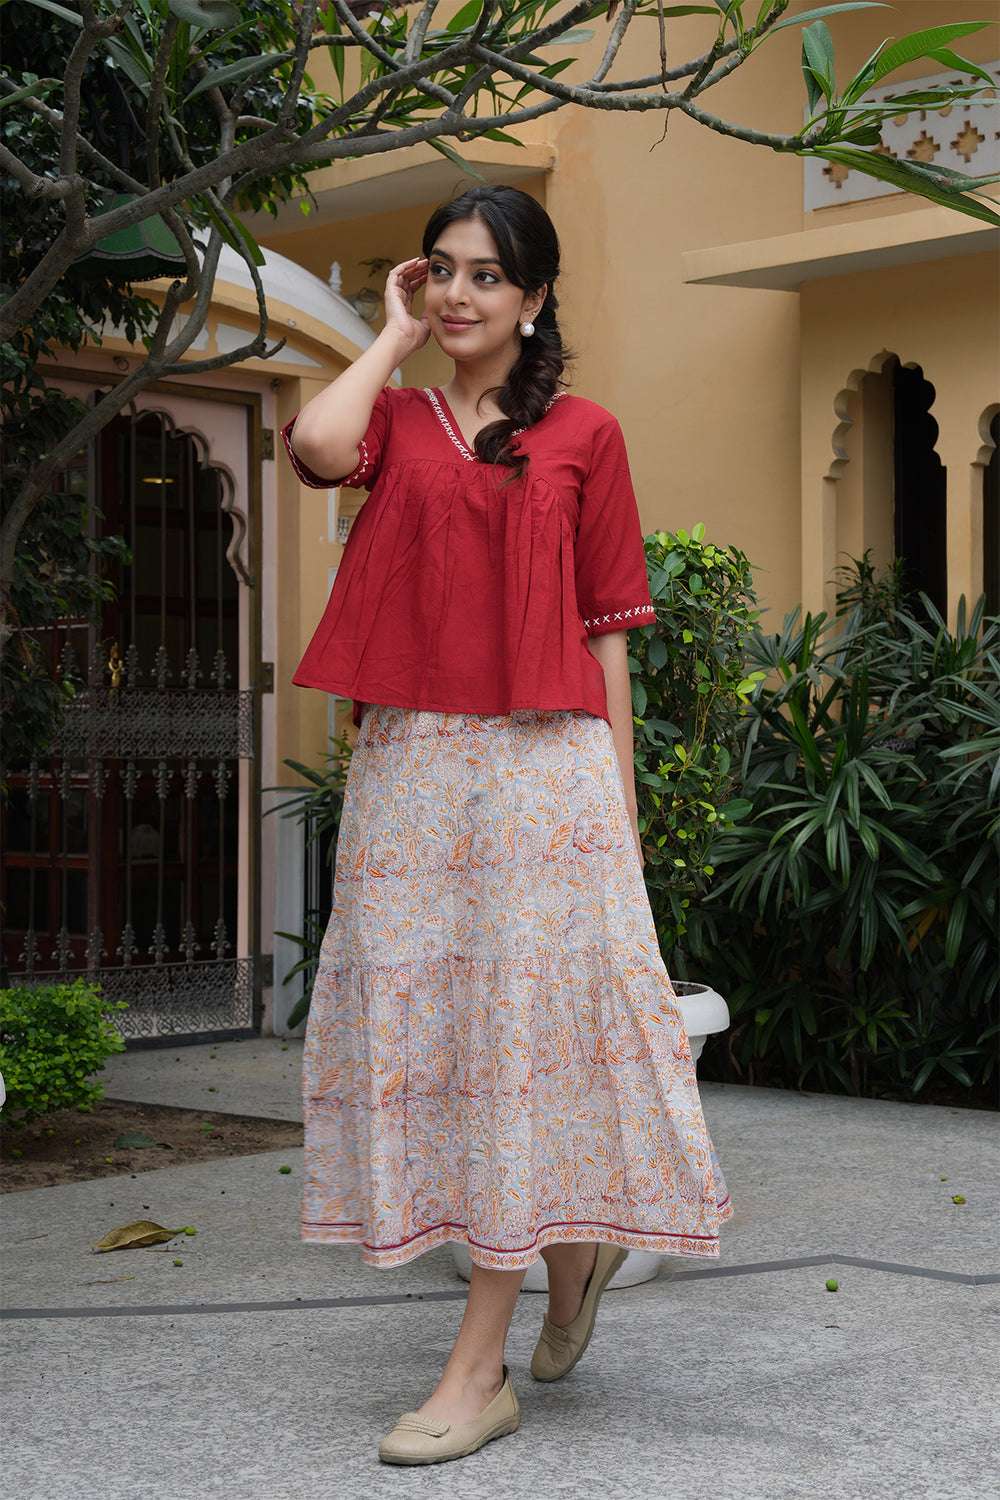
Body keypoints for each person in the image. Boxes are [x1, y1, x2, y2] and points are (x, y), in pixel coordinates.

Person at [282, 184, 731, 1467]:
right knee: (442, 1035)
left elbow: (608, 633)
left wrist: (618, 811)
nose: (460, 294)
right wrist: (386, 335)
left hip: (546, 770)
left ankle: (478, 1369)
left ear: (534, 298)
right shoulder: (398, 421)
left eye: (487, 275)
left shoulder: (587, 433)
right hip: (412, 769)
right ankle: (571, 1251)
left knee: (518, 1043)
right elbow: (316, 447)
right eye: (443, 270)